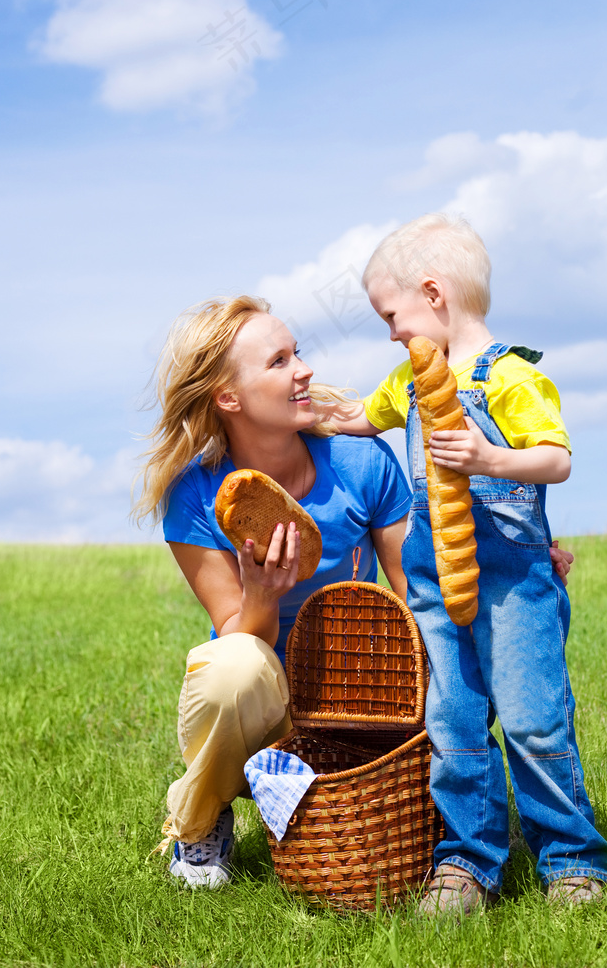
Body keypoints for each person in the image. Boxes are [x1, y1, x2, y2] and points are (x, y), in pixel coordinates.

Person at [331, 212, 607, 915]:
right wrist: (309, 414)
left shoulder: (510, 378)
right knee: (453, 721)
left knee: (532, 721)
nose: (392, 333)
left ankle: (572, 857)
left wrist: (490, 459)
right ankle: (467, 860)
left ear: (433, 293)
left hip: (514, 586)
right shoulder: (408, 382)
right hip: (434, 585)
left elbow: (556, 459)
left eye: (391, 315)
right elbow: (361, 417)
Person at [134, 296, 413, 888]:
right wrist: (261, 591)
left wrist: (511, 564)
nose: (304, 370)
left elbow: (417, 597)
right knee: (231, 667)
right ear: (229, 398)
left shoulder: (363, 463)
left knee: (456, 652)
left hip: (359, 687)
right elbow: (238, 630)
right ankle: (200, 821)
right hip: (267, 703)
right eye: (279, 361)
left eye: (299, 353)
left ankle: (466, 819)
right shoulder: (194, 496)